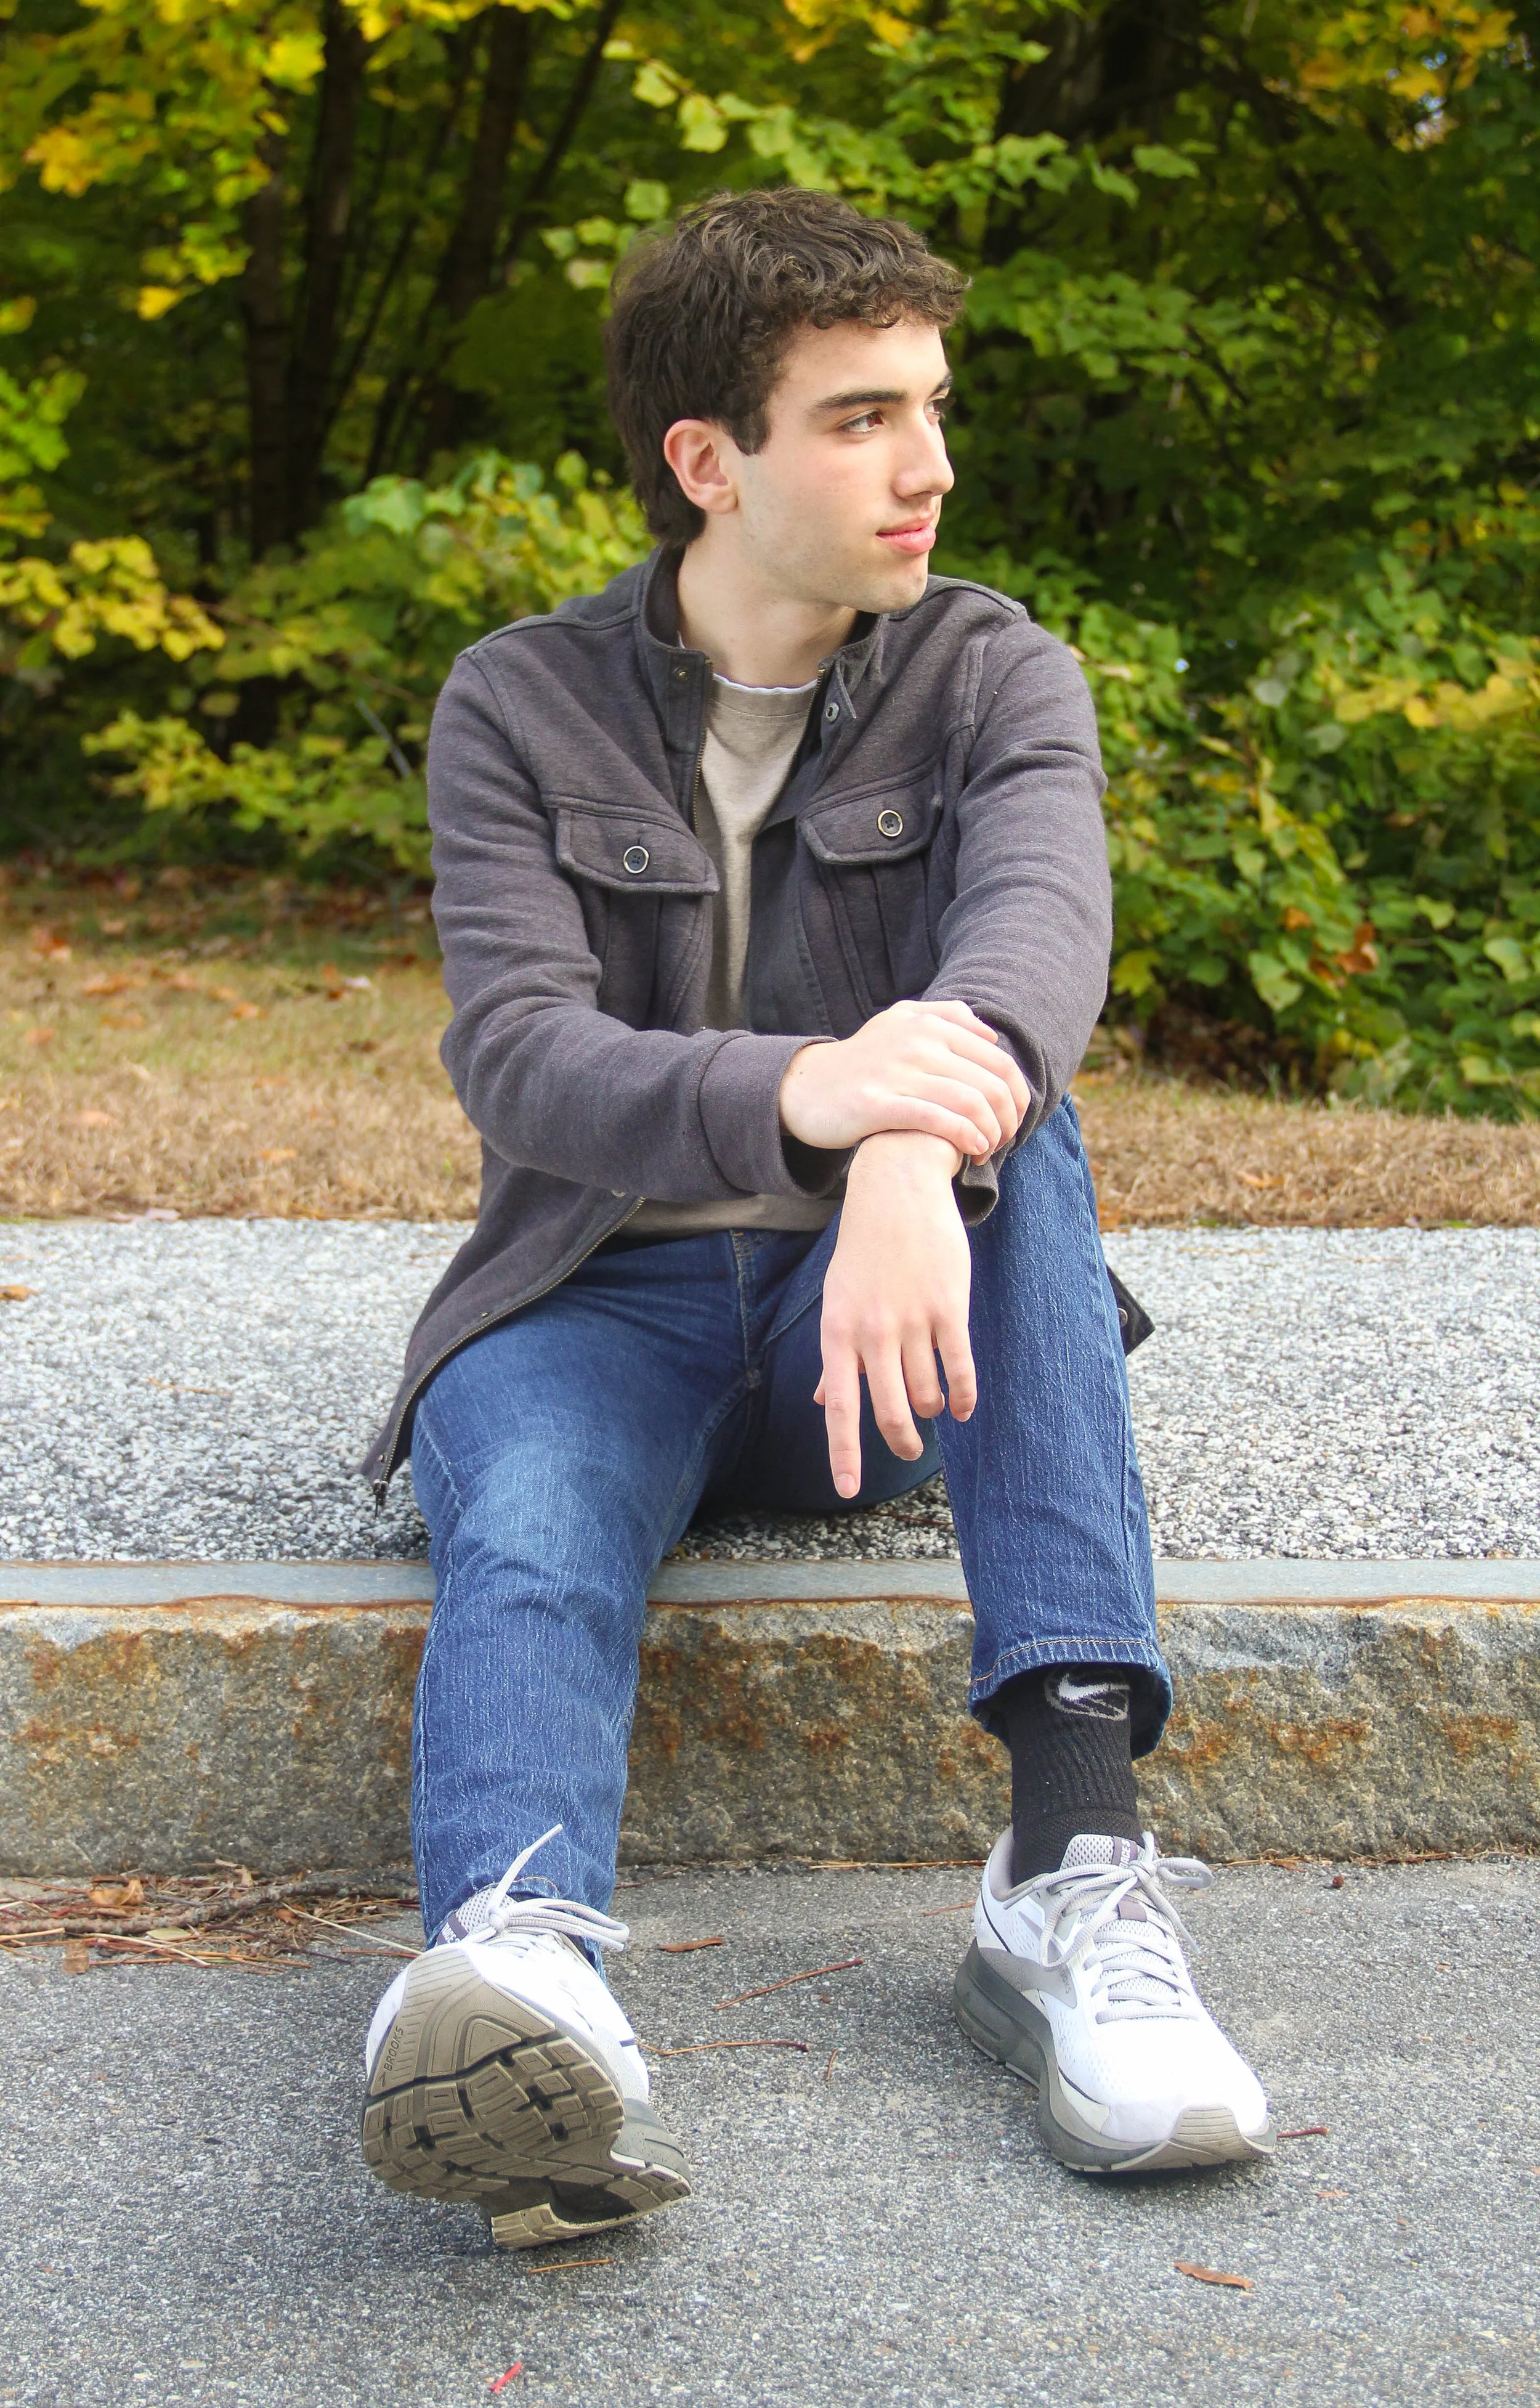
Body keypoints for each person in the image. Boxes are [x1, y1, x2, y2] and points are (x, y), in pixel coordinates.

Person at [357, 187, 1274, 2250]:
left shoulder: (991, 670)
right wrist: (803, 1091)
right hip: (594, 1287)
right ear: (711, 460)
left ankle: (1066, 1880)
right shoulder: (519, 701)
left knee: (1021, 1134)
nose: (928, 466)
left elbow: (1036, 951)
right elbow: (520, 1054)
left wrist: (887, 1150)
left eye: (930, 408)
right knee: (527, 1518)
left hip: (875, 1324)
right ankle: (521, 1978)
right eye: (860, 417)